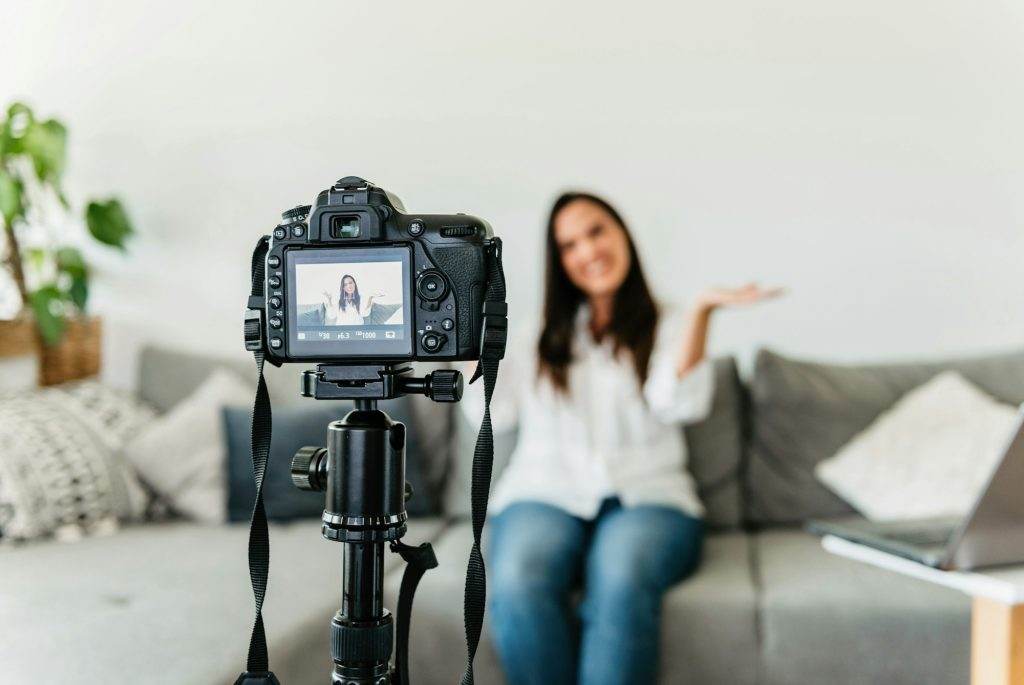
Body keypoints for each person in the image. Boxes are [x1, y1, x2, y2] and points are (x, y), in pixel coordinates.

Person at [463, 192, 781, 685]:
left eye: (596, 231)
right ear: (560, 262)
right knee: (519, 581)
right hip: (543, 492)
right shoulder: (537, 332)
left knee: (620, 578)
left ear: (622, 233)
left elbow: (678, 402)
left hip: (649, 498)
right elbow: (491, 413)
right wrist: (464, 328)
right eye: (569, 245)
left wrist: (701, 312)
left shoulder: (670, 322)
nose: (588, 251)